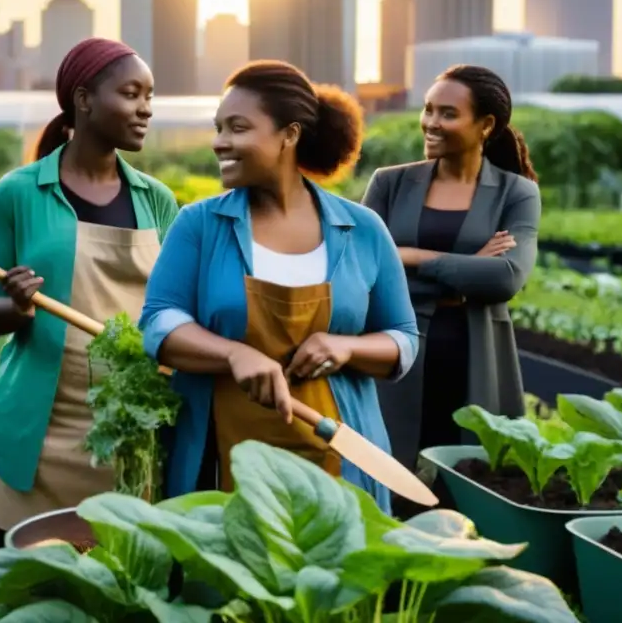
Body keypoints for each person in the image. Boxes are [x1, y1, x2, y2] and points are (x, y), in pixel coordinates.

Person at [139, 60, 419, 513]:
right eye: (218, 128)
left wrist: (345, 347)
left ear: (289, 135)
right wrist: (233, 353)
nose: (219, 143)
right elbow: (158, 322)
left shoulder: (363, 229)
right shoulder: (200, 224)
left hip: (336, 457)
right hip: (223, 462)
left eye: (238, 128)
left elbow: (403, 339)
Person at [0, 37, 179, 532]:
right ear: (84, 100)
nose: (145, 109)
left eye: (149, 96)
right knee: (35, 586)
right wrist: (18, 304)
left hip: (131, 427)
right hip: (43, 433)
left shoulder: (157, 200)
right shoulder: (19, 193)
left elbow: (175, 309)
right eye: (131, 94)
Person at [363, 64, 541, 474]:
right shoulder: (389, 183)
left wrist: (408, 256)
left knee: (468, 482)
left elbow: (505, 278)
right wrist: (463, 273)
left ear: (486, 125)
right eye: (428, 109)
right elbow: (360, 272)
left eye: (448, 113)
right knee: (390, 479)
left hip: (474, 359)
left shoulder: (516, 193)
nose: (431, 123)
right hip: (394, 355)